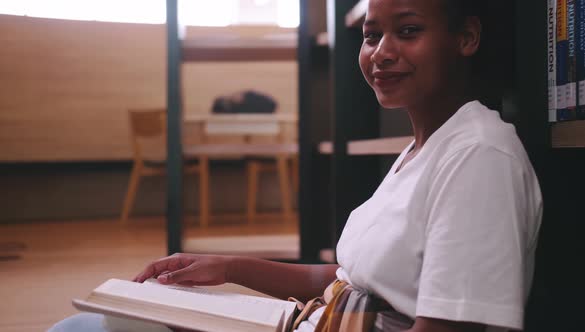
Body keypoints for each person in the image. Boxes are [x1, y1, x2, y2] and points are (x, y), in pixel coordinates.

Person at [49, 0, 542, 331]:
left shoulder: (479, 155)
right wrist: (227, 267)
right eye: (372, 36)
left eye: (408, 31)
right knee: (89, 323)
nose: (382, 54)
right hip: (309, 321)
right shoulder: (424, 148)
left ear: (467, 37)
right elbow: (352, 277)